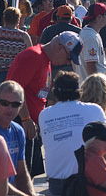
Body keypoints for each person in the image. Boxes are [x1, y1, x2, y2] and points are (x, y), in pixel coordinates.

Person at [0, 81, 74, 196]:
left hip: (12, 193)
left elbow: (22, 173)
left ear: (21, 106)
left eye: (15, 104)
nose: (9, 108)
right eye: (4, 103)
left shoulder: (18, 130)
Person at [6, 31, 82, 178]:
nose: (68, 63)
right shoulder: (33, 56)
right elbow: (13, 89)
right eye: (69, 57)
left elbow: (38, 96)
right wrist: (26, 119)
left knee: (29, 175)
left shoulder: (45, 60)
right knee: (20, 177)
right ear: (59, 46)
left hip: (30, 125)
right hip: (20, 123)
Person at [38, 71, 106, 196]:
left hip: (56, 185)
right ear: (79, 91)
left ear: (55, 93)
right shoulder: (94, 109)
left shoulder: (44, 114)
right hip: (86, 182)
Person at [0, 7, 32, 96]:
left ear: (4, 19)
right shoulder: (24, 36)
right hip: (16, 72)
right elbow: (30, 56)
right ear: (18, 20)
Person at [76, 3, 106, 80]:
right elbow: (91, 65)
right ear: (99, 17)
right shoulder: (90, 36)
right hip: (93, 85)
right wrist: (96, 85)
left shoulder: (91, 33)